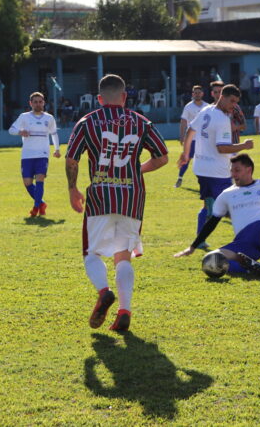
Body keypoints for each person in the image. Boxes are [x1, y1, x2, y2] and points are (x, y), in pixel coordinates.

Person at [65, 74, 168, 332]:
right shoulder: (141, 122)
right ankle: (125, 310)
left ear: (99, 98)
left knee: (92, 253)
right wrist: (136, 170)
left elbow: (72, 159)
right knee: (123, 257)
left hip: (100, 195)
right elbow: (162, 157)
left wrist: (72, 188)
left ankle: (104, 291)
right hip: (131, 197)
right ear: (124, 97)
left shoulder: (88, 122)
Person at [178, 84, 253, 248]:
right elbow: (222, 148)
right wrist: (244, 145)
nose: (234, 106)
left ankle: (200, 239)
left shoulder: (206, 110)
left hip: (201, 168)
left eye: (236, 102)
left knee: (208, 203)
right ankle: (246, 242)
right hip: (217, 172)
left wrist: (185, 154)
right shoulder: (223, 119)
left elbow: (190, 131)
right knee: (236, 204)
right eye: (232, 101)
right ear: (222, 97)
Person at [174, 154, 260, 276]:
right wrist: (193, 247)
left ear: (249, 169)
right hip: (243, 241)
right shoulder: (227, 194)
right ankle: (256, 268)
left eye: (237, 170)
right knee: (211, 261)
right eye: (231, 171)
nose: (233, 174)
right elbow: (213, 222)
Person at [9, 92, 61, 216]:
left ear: (44, 103)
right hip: (27, 154)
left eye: (40, 101)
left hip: (42, 154)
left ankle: (36, 207)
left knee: (40, 180)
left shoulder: (49, 118)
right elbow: (11, 130)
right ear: (30, 103)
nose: (38, 104)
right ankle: (42, 203)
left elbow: (54, 133)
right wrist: (20, 132)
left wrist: (57, 149)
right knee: (27, 182)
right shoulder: (24, 117)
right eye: (35, 102)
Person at [174, 85, 208, 188]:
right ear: (192, 94)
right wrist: (182, 135)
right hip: (191, 139)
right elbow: (183, 121)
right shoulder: (188, 107)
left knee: (205, 159)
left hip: (204, 140)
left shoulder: (207, 106)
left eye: (199, 92)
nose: (197, 94)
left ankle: (205, 181)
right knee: (186, 158)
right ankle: (180, 178)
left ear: (202, 94)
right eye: (195, 92)